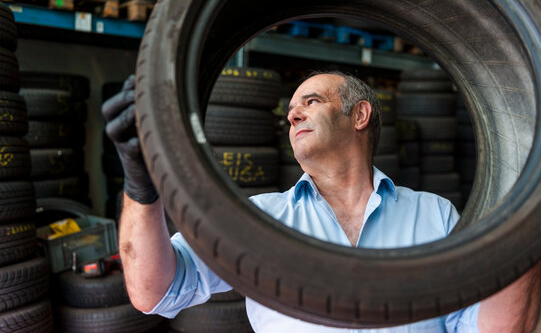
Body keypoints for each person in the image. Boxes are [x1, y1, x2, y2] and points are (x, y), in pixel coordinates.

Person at [102, 71, 541, 332]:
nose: (292, 115)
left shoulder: (435, 215)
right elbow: (154, 292)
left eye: (310, 102)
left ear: (360, 115)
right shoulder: (258, 219)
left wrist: (530, 217)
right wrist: (142, 188)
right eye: (290, 110)